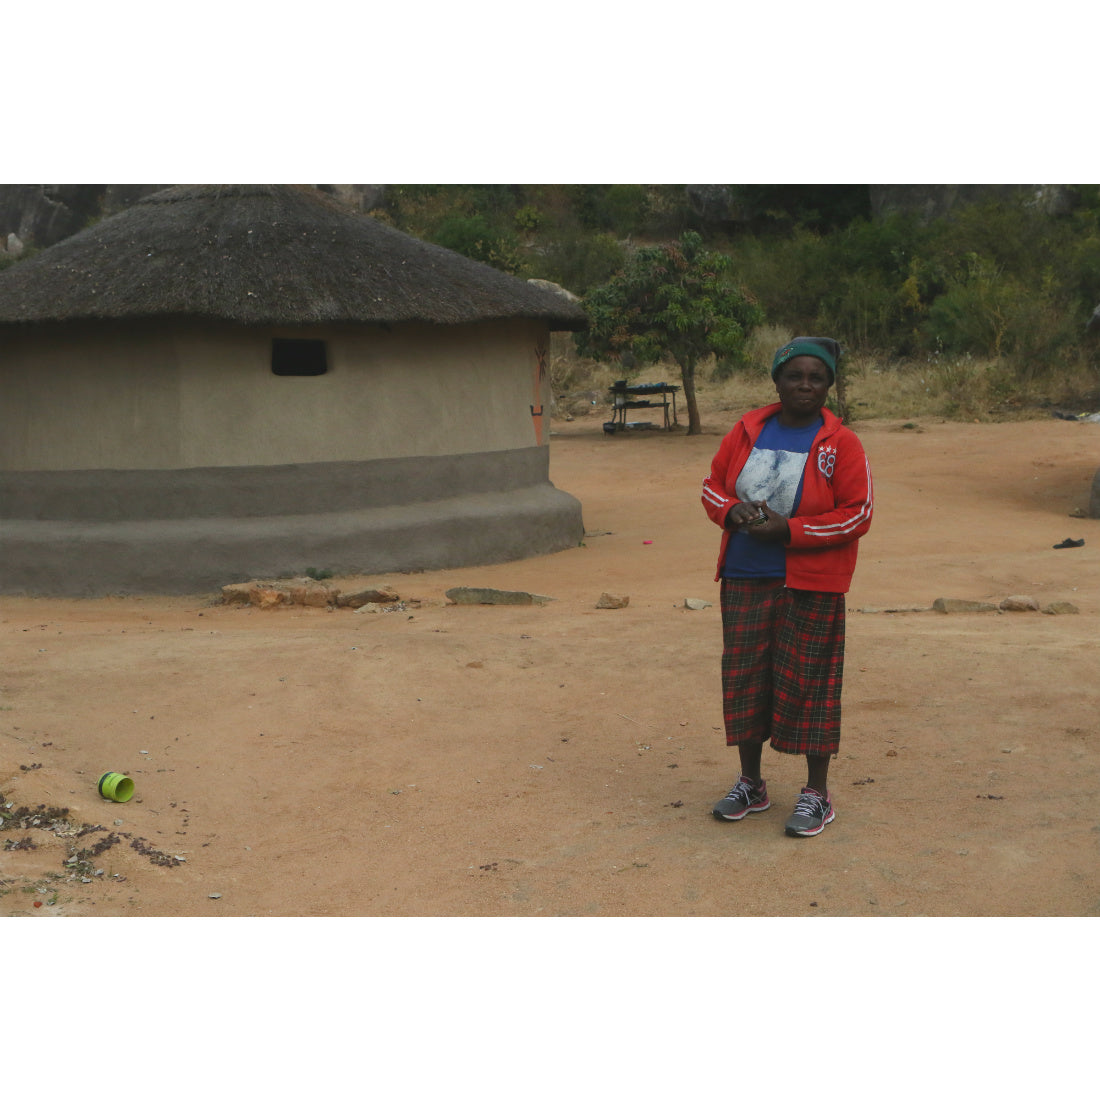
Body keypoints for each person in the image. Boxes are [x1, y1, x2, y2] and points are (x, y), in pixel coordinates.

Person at [700, 337, 873, 837]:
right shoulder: (747, 429)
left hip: (811, 583)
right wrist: (730, 510)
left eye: (816, 378)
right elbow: (712, 485)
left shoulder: (841, 443)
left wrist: (790, 531)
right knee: (745, 679)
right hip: (744, 576)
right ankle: (751, 783)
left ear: (828, 386)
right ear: (776, 381)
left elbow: (857, 514)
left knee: (813, 684)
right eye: (794, 376)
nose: (804, 385)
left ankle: (817, 793)